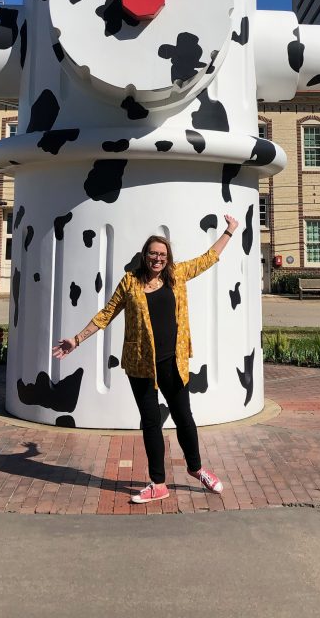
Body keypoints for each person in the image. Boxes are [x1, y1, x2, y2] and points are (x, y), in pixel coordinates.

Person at [53, 215, 239, 504]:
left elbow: (208, 258)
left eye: (162, 254)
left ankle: (196, 468)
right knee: (150, 422)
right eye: (153, 253)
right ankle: (158, 483)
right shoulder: (130, 282)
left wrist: (229, 230)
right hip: (141, 365)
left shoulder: (176, 275)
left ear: (168, 258)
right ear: (144, 255)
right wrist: (76, 339)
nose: (157, 258)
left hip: (173, 362)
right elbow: (107, 313)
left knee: (184, 418)